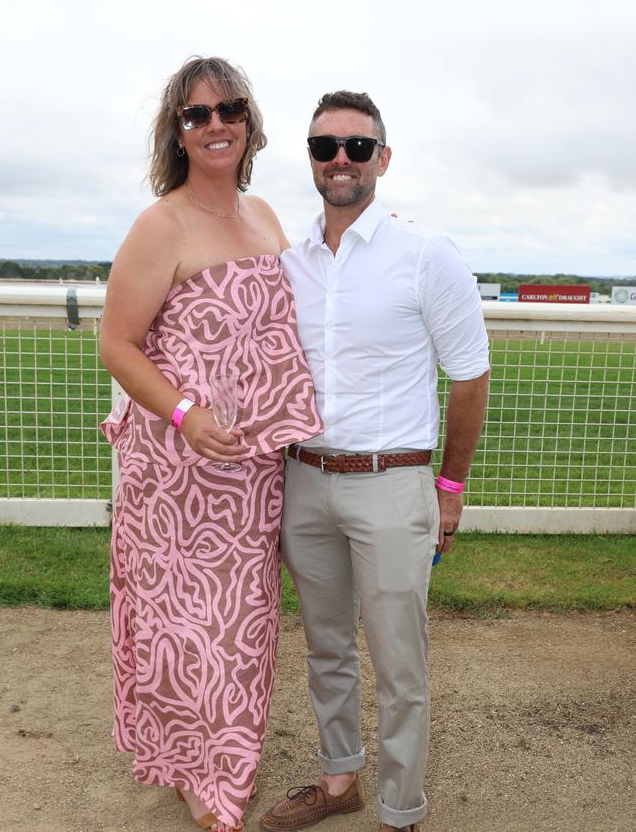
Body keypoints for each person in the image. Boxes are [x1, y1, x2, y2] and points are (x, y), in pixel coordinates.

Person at [99, 56, 322, 832]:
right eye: (197, 114)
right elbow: (118, 345)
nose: (216, 123)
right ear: (179, 132)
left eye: (229, 108)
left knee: (244, 621)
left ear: (249, 122)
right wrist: (188, 413)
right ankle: (202, 772)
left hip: (251, 466)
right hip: (177, 470)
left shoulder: (264, 218)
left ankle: (224, 758)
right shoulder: (161, 224)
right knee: (184, 626)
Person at [259, 92, 490, 832]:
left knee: (399, 663)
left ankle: (401, 809)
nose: (340, 160)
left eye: (358, 147)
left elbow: (470, 374)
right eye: (325, 146)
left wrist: (449, 488)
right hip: (303, 477)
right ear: (311, 158)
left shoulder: (426, 255)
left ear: (383, 159)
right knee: (326, 647)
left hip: (392, 482)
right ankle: (338, 782)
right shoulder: (289, 263)